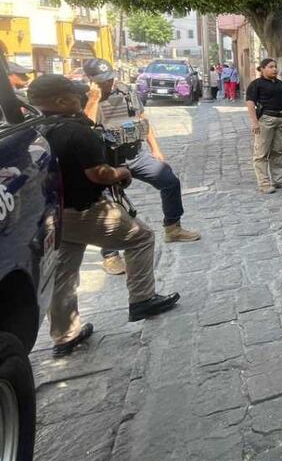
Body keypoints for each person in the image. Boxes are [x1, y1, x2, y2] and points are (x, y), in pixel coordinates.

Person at [27, 75, 181, 358]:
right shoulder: (76, 131)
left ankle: (65, 334)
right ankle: (142, 298)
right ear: (62, 100)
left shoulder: (33, 130)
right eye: (76, 95)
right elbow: (98, 174)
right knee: (142, 237)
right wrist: (122, 173)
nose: (82, 98)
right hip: (85, 208)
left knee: (64, 270)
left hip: (53, 213)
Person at [82, 58, 201, 276]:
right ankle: (110, 255)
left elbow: (142, 120)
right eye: (101, 81)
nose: (107, 83)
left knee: (169, 182)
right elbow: (83, 128)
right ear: (90, 80)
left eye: (109, 78)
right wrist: (93, 99)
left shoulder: (126, 92)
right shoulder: (84, 98)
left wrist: (155, 149)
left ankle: (173, 228)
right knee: (111, 207)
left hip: (135, 154)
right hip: (106, 160)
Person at [245, 58, 282, 193]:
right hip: (266, 120)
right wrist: (254, 122)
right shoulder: (256, 85)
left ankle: (278, 179)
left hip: (280, 118)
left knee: (277, 151)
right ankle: (264, 183)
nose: (274, 69)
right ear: (263, 69)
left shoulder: (280, 84)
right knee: (261, 153)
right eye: (271, 67)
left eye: (275, 67)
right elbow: (250, 103)